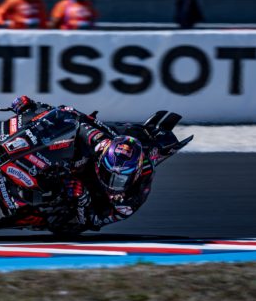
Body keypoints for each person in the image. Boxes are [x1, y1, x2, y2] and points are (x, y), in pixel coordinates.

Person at [9, 95, 159, 233]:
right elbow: (70, 114)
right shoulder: (100, 145)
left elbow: (94, 223)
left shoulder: (131, 199)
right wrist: (34, 108)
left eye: (119, 179)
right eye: (107, 173)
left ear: (134, 175)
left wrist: (83, 199)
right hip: (87, 162)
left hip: (86, 202)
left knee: (61, 225)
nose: (111, 182)